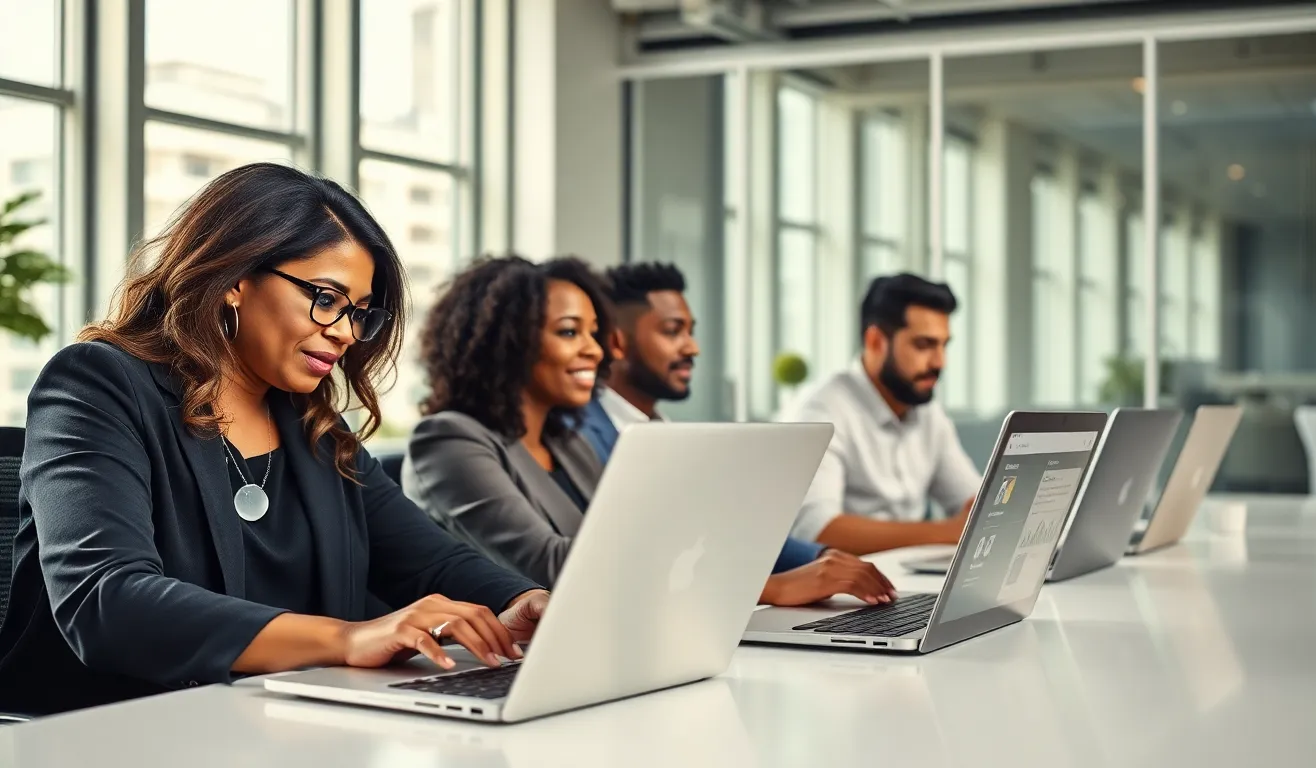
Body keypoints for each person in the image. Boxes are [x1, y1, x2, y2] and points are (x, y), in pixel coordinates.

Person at [0, 163, 547, 716]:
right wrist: (347, 639)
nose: (344, 332)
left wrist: (520, 600)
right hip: (110, 730)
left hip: (279, 730)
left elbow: (430, 562)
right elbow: (105, 601)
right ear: (236, 278)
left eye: (359, 314)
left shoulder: (314, 428)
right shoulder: (98, 384)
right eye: (327, 298)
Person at [403, 256, 894, 608]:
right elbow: (555, 568)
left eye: (595, 334)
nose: (595, 351)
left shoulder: (566, 439)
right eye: (571, 332)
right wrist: (765, 587)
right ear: (507, 342)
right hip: (492, 664)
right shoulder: (449, 442)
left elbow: (635, 541)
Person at [578, 261, 887, 597]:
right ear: (617, 343)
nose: (692, 347)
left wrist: (824, 558)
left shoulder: (666, 433)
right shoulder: (577, 435)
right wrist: (771, 588)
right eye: (672, 331)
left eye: (690, 331)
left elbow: (728, 532)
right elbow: (633, 560)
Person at [779, 274, 980, 556]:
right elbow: (816, 529)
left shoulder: (926, 412)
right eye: (923, 345)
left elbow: (974, 505)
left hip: (909, 579)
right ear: (875, 341)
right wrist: (949, 532)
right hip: (845, 590)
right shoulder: (821, 409)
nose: (939, 362)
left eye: (944, 345)